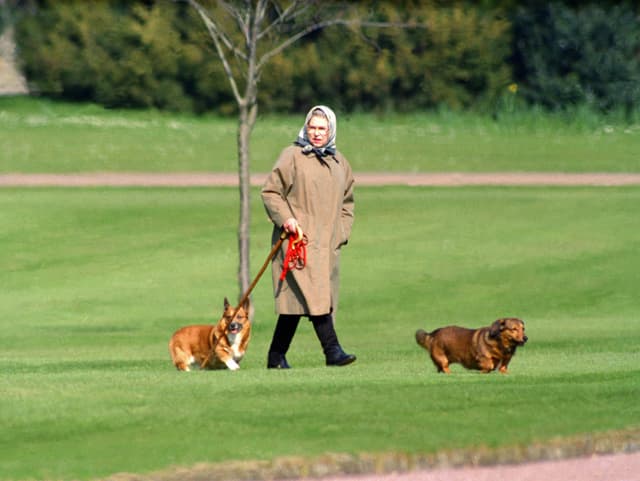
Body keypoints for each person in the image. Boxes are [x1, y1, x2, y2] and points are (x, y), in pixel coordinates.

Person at [261, 105, 356, 368]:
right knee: (317, 297)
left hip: (327, 247)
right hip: (296, 244)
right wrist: (287, 220)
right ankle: (332, 352)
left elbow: (348, 203)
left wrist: (342, 233)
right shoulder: (291, 156)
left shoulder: (340, 163)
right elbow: (270, 192)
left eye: (321, 128)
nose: (316, 133)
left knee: (297, 304)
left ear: (331, 130)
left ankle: (276, 356)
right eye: (312, 127)